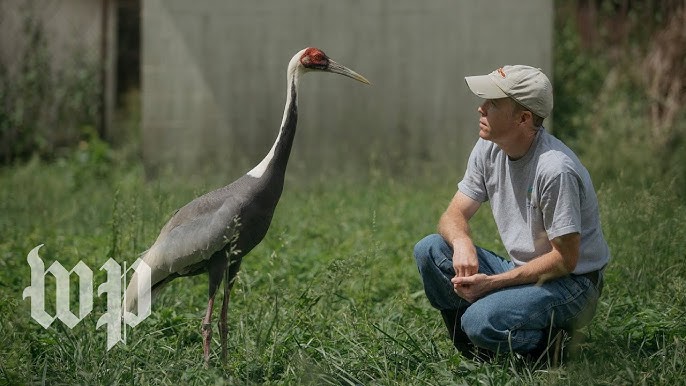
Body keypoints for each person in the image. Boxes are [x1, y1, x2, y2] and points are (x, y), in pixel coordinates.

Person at [413, 65, 610, 359]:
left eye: (493, 103)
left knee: (479, 320)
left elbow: (565, 260)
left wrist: (491, 284)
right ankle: (477, 352)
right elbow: (452, 215)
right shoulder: (487, 147)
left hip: (572, 285)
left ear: (523, 118)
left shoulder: (555, 170)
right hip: (523, 270)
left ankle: (552, 347)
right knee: (429, 249)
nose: (480, 109)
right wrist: (462, 243)